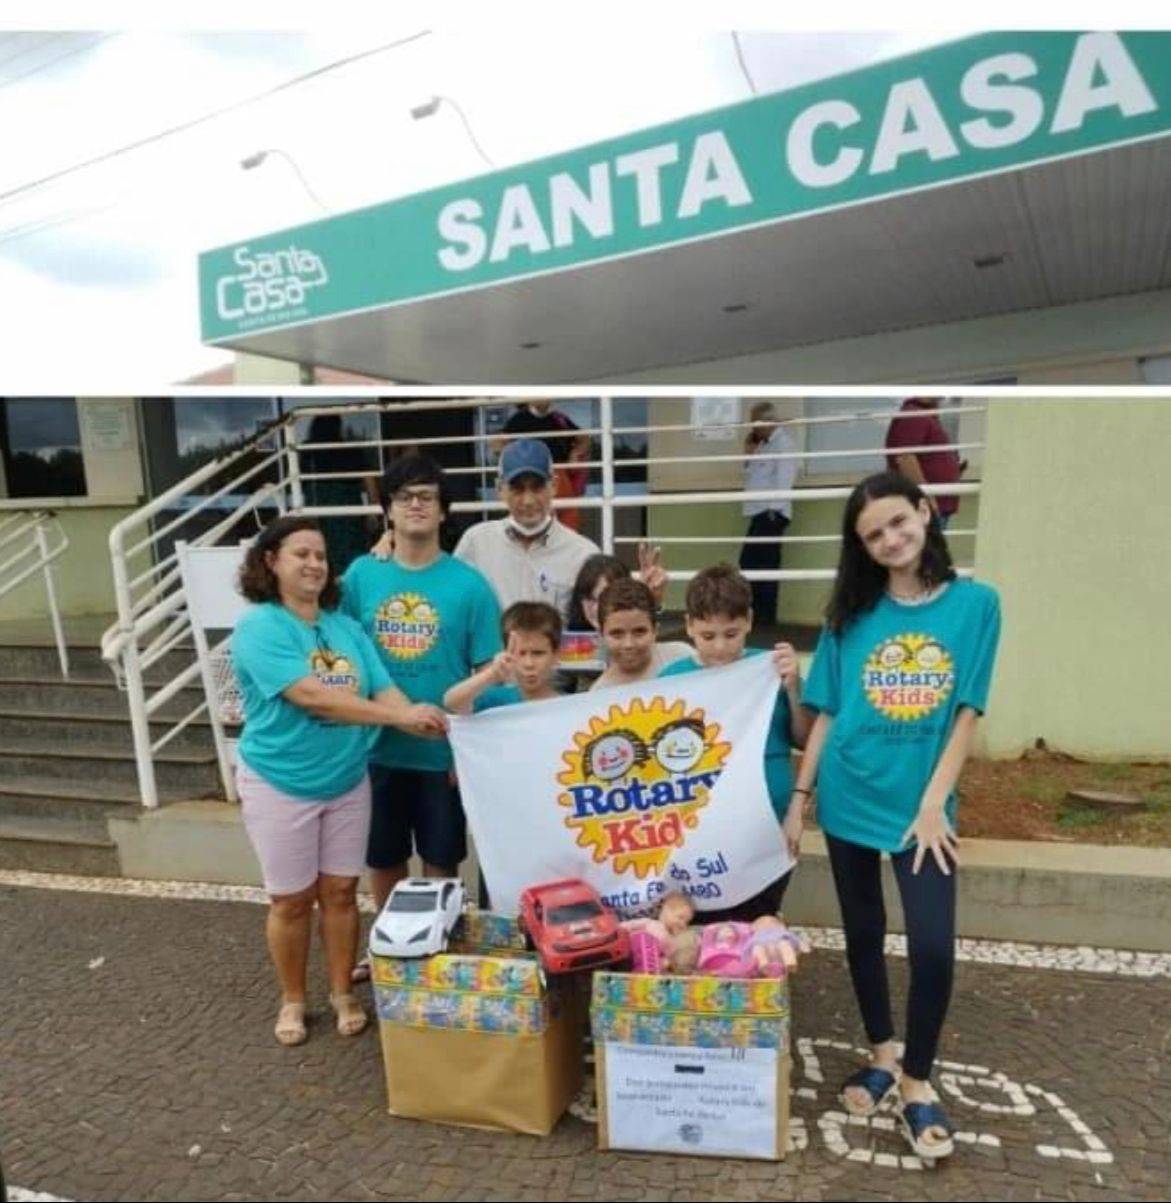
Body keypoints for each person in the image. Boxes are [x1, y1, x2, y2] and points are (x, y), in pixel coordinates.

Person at [790, 471, 1001, 1161]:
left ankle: (915, 1081)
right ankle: (881, 1050)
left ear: (923, 510)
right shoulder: (848, 613)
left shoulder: (975, 605)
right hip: (850, 792)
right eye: (872, 534)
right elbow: (824, 711)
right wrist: (799, 800)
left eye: (896, 522)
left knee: (934, 948)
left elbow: (966, 708)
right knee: (862, 932)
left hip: (922, 810)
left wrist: (935, 799)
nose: (889, 540)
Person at [230, 516, 447, 1046]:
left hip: (347, 779)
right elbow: (312, 697)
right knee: (291, 900)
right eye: (300, 553)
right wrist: (397, 720)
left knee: (342, 892)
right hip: (279, 779)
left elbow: (382, 688)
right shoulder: (260, 626)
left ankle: (342, 992)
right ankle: (293, 999)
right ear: (270, 562)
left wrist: (418, 715)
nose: (313, 564)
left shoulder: (345, 628)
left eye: (321, 555)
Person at [339, 454, 502, 931]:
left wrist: (468, 748)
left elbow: (488, 672)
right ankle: (388, 944)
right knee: (383, 857)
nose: (415, 505)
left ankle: (433, 944)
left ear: (443, 510)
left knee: (440, 857)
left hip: (441, 754)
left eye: (426, 497)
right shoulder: (360, 577)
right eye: (404, 496)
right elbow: (340, 654)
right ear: (387, 510)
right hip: (376, 748)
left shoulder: (470, 586)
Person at [658, 563, 812, 921]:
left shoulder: (770, 667)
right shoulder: (672, 679)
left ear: (749, 622)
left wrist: (792, 689)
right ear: (689, 627)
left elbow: (803, 738)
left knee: (759, 918)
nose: (721, 647)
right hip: (700, 826)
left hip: (767, 820)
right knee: (702, 925)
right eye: (708, 636)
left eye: (731, 633)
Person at [453, 438, 599, 619]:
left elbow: (601, 622)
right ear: (500, 489)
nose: (528, 500)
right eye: (517, 489)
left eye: (537, 488)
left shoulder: (583, 554)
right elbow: (454, 608)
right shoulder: (476, 543)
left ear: (554, 486)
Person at [444, 601, 563, 713]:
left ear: (556, 655)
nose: (529, 664)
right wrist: (492, 674)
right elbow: (451, 702)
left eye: (538, 653)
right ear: (505, 652)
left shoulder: (567, 707)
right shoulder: (496, 700)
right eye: (520, 653)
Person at [740, 401, 798, 629]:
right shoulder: (764, 445)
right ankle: (758, 615)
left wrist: (775, 510)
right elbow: (749, 474)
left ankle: (765, 619)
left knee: (762, 563)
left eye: (756, 423)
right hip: (758, 511)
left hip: (771, 512)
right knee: (752, 563)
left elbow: (785, 480)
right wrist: (748, 453)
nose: (753, 428)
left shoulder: (784, 445)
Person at [500, 401, 590, 530]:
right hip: (533, 474)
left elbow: (584, 438)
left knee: (568, 515)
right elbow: (499, 442)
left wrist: (575, 454)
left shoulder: (558, 418)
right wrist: (515, 461)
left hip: (560, 472)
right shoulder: (519, 418)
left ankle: (567, 546)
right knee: (539, 517)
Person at [588, 578, 691, 690]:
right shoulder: (600, 693)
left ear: (655, 631)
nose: (629, 644)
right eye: (617, 634)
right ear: (601, 635)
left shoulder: (683, 657)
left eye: (639, 632)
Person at [884, 397, 963, 528]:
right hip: (927, 506)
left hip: (935, 504)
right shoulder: (914, 415)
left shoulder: (927, 415)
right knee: (925, 546)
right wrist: (926, 496)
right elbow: (905, 458)